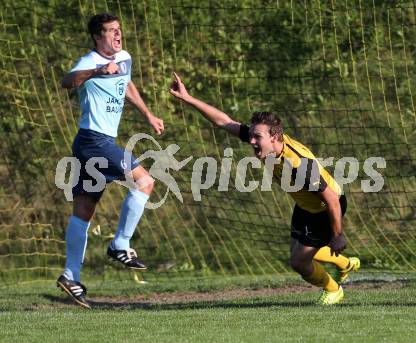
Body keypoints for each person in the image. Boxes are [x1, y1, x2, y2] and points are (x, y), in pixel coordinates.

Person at [170, 73, 360, 305]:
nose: (251, 141)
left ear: (275, 137)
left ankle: (334, 289)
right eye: (251, 136)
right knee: (299, 251)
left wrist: (338, 235)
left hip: (324, 208)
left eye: (256, 137)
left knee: (299, 262)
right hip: (305, 205)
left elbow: (330, 198)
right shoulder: (270, 146)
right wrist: (188, 98)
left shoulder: (298, 165)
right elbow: (223, 121)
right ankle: (345, 263)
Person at [56, 13, 164, 309]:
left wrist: (148, 114)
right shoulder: (89, 62)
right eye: (111, 32)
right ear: (96, 37)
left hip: (91, 142)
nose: (118, 36)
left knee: (84, 211)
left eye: (119, 30)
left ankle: (70, 276)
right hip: (95, 141)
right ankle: (120, 244)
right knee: (145, 181)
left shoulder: (124, 56)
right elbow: (67, 81)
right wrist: (96, 71)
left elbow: (126, 83)